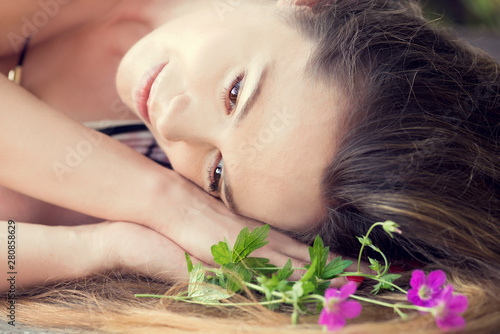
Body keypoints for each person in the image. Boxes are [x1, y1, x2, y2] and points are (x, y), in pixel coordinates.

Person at [1, 0, 500, 333]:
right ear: (309, 5)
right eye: (236, 92)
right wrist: (161, 199)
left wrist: (102, 247)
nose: (174, 125)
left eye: (217, 175)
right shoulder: (162, 193)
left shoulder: (144, 168)